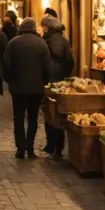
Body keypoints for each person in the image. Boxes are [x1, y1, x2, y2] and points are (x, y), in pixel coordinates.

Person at [3, 17, 52, 159]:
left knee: (18, 118)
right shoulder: (41, 44)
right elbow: (48, 68)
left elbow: (6, 65)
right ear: (34, 28)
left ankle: (20, 148)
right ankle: (30, 148)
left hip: (18, 88)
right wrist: (44, 82)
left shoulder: (13, 43)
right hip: (36, 89)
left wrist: (10, 81)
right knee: (33, 118)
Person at [41, 16, 75, 158]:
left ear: (47, 27)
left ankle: (50, 144)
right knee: (60, 113)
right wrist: (65, 76)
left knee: (49, 112)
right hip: (60, 81)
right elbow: (70, 61)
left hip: (48, 80)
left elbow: (42, 61)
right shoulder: (64, 41)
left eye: (43, 26)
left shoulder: (45, 41)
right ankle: (59, 147)